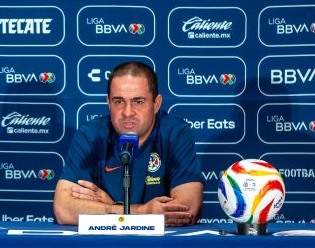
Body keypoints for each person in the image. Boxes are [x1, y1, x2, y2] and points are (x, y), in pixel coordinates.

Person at [53, 61, 203, 226]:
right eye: (119, 101)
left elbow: (187, 210)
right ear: (108, 102)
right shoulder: (91, 135)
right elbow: (64, 210)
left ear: (156, 104)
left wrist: (109, 207)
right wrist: (142, 212)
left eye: (138, 101)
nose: (127, 112)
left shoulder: (175, 133)